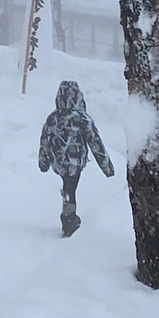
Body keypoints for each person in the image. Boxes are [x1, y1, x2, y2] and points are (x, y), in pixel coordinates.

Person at [38, 80, 116, 238]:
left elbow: (44, 142)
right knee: (70, 187)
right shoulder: (83, 119)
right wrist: (106, 166)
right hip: (75, 162)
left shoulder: (52, 118)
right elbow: (95, 143)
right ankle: (69, 220)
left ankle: (69, 216)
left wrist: (43, 162)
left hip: (58, 162)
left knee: (68, 186)